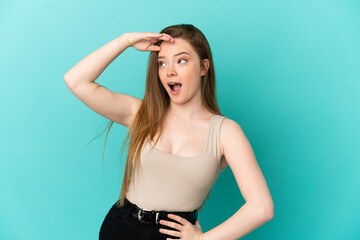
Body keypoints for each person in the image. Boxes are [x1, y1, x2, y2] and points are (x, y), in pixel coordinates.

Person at [64, 24, 274, 240]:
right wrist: (125, 41)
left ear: (204, 67)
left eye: (181, 60)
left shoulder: (226, 132)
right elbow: (76, 80)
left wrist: (202, 239)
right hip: (121, 227)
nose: (170, 71)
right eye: (162, 63)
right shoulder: (140, 114)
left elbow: (262, 207)